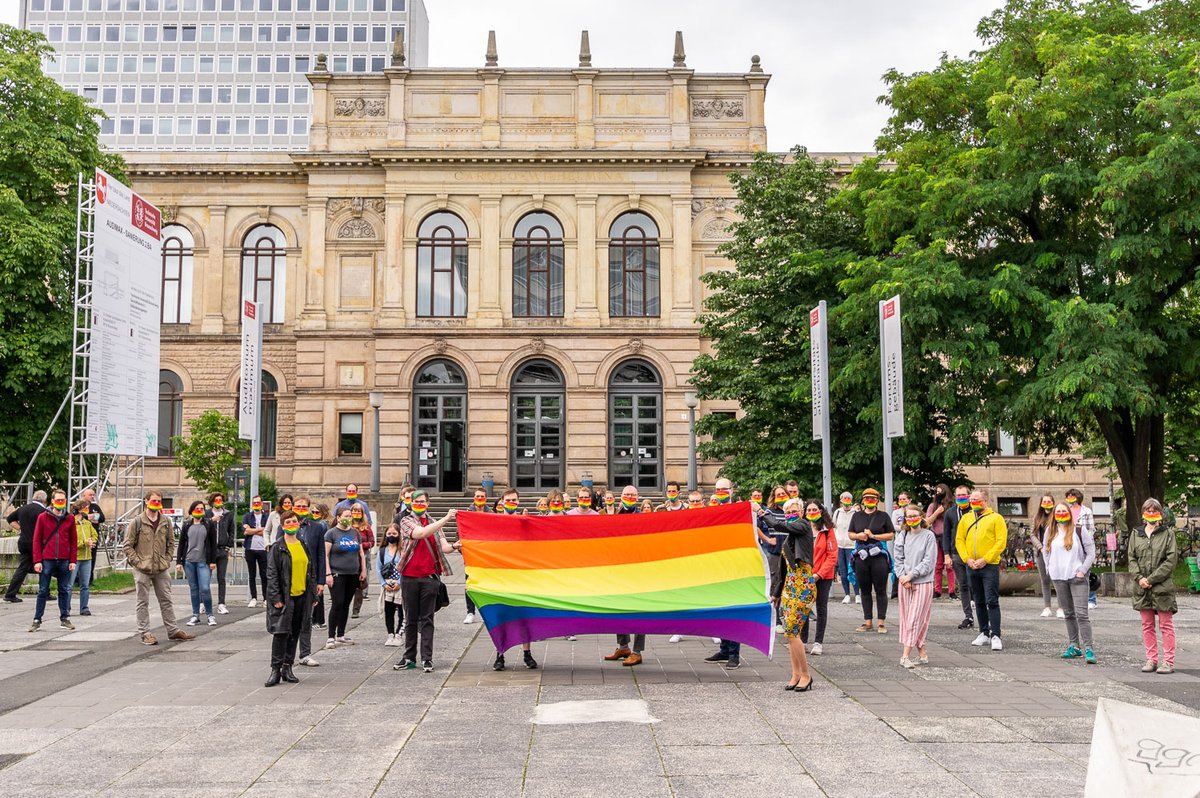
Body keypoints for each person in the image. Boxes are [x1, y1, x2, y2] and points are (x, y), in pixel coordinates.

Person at [393, 490, 460, 673]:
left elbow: (444, 546)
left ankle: (427, 659)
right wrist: (446, 518)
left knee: (427, 620)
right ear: (411, 504)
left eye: (423, 502)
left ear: (428, 504)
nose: (420, 505)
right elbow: (420, 533)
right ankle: (409, 657)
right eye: (417, 502)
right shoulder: (406, 521)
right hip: (409, 577)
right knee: (410, 620)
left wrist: (455, 546)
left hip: (429, 578)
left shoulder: (434, 522)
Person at [123, 491, 194, 645]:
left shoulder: (165, 521)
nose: (156, 503)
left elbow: (171, 542)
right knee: (142, 602)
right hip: (143, 568)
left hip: (161, 568)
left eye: (159, 500)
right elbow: (127, 545)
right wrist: (137, 561)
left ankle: (173, 630)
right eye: (153, 500)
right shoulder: (137, 522)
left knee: (166, 600)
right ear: (146, 501)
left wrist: (167, 559)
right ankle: (145, 633)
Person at [762, 498, 815, 691]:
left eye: (795, 510)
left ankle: (807, 675)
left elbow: (777, 524)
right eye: (789, 511)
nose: (792, 513)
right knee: (790, 634)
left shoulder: (803, 526)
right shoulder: (789, 539)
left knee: (792, 632)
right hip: (789, 588)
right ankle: (796, 673)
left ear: (801, 512)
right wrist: (776, 593)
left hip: (803, 586)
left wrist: (760, 512)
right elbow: (783, 569)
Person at [264, 510, 318, 687]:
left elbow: (310, 571)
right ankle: (275, 669)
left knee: (295, 631)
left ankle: (288, 667)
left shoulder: (303, 544)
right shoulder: (277, 547)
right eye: (288, 522)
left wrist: (313, 595)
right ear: (282, 525)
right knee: (281, 633)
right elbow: (271, 575)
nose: (292, 525)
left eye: (294, 521)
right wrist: (276, 597)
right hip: (285, 597)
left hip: (302, 595)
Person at [1128, 498, 1177, 675]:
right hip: (1142, 588)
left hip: (1162, 586)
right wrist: (1140, 578)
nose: (1150, 513)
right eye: (1147, 510)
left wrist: (1152, 579)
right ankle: (1151, 659)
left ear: (1160, 513)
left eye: (1153, 510)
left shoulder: (1168, 534)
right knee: (1147, 625)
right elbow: (1131, 558)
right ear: (1143, 513)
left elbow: (1171, 560)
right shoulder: (1136, 533)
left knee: (1166, 625)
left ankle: (1168, 661)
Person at [1043, 501, 1096, 663]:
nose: (1060, 514)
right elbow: (1046, 550)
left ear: (1069, 513)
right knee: (1068, 613)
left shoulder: (1079, 530)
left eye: (1063, 511)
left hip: (1077, 576)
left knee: (1082, 614)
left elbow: (1091, 553)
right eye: (1057, 511)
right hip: (1059, 577)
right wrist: (1049, 568)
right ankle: (1074, 645)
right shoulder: (1050, 531)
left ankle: (1089, 648)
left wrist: (1082, 570)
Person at [956, 488, 1008, 651]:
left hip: (989, 565)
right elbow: (959, 540)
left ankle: (996, 635)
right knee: (978, 600)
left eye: (977, 500)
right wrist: (967, 559)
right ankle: (984, 632)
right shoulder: (966, 519)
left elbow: (1000, 542)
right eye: (972, 500)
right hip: (971, 564)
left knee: (991, 600)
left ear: (985, 500)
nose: (973, 503)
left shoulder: (996, 518)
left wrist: (986, 559)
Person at [604, 485, 647, 666]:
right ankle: (623, 646)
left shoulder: (644, 518)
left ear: (637, 498)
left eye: (632, 494)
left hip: (638, 571)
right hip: (618, 570)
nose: (629, 497)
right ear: (620, 496)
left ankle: (637, 651)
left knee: (639, 610)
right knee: (618, 608)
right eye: (626, 494)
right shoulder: (611, 515)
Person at [894, 505, 937, 668]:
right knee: (907, 618)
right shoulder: (903, 535)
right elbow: (898, 558)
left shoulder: (929, 536)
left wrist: (911, 575)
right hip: (905, 583)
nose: (912, 519)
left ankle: (905, 656)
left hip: (923, 582)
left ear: (921, 516)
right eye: (909, 516)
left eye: (914, 516)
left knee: (916, 618)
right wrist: (903, 577)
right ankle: (922, 652)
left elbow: (928, 561)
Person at [29, 490, 78, 632]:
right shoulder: (43, 517)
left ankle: (65, 618)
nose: (61, 503)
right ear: (52, 501)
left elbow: (73, 541)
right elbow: (36, 540)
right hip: (47, 559)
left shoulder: (69, 518)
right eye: (58, 500)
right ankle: (37, 619)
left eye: (63, 500)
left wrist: (72, 560)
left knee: (64, 589)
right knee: (43, 590)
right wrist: (37, 560)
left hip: (64, 559)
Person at [848, 487, 895, 633]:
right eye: (867, 498)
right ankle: (867, 621)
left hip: (878, 556)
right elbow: (850, 534)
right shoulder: (856, 516)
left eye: (873, 498)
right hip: (861, 556)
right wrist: (859, 536)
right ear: (863, 500)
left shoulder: (883, 516)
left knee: (880, 589)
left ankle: (881, 622)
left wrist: (874, 536)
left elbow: (891, 535)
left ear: (877, 500)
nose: (869, 501)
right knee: (864, 589)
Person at [324, 506, 366, 648]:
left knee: (346, 604)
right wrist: (328, 573)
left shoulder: (355, 533)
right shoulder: (331, 534)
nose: (349, 519)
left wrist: (363, 571)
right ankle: (331, 636)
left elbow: (361, 553)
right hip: (337, 573)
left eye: (350, 516)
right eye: (346, 516)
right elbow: (325, 554)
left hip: (352, 573)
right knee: (337, 603)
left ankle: (341, 634)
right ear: (338, 517)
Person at [800, 501, 837, 656]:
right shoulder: (802, 529)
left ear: (821, 511)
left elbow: (832, 556)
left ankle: (818, 643)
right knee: (804, 608)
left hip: (823, 576)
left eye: (815, 509)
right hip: (805, 575)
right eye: (809, 509)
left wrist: (819, 574)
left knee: (821, 608)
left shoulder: (827, 531)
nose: (812, 512)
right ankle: (803, 642)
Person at [175, 500, 218, 627]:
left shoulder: (208, 524)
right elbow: (181, 544)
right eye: (197, 508)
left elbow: (213, 544)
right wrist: (179, 562)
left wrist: (213, 561)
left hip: (203, 561)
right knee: (194, 589)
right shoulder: (187, 524)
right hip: (189, 561)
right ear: (192, 510)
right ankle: (195, 615)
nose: (200, 510)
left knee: (205, 588)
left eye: (202, 508)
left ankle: (210, 615)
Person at [294, 496, 324, 667]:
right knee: (290, 619)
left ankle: (305, 653)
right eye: (298, 506)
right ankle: (287, 653)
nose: (301, 508)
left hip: (310, 578)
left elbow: (320, 555)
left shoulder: (317, 528)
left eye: (304, 506)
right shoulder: (287, 526)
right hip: (291, 578)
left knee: (307, 618)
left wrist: (321, 580)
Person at [4, 489, 48, 603]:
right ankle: (45, 592)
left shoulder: (22, 509)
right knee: (43, 566)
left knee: (23, 567)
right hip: (37, 543)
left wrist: (20, 528)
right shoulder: (43, 512)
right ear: (44, 500)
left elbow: (10, 519)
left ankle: (10, 594)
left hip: (23, 541)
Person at [755, 485, 789, 634]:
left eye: (783, 494)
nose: (781, 496)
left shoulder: (791, 512)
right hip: (775, 553)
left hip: (790, 554)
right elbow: (757, 527)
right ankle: (775, 620)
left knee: (788, 584)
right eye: (778, 494)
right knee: (775, 585)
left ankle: (785, 616)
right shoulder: (769, 512)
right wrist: (768, 540)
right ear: (773, 498)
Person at [943, 486, 974, 629]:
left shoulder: (975, 511)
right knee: (963, 585)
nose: (961, 498)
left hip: (974, 554)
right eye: (958, 495)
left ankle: (980, 610)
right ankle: (968, 616)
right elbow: (947, 535)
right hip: (956, 554)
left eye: (963, 495)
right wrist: (946, 555)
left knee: (975, 583)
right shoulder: (950, 513)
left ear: (969, 496)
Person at [462, 488, 491, 624]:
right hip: (471, 555)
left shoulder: (491, 514)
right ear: (473, 497)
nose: (479, 498)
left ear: (486, 498)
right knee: (470, 584)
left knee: (487, 585)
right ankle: (470, 612)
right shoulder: (466, 514)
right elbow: (460, 533)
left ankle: (487, 612)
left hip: (487, 555)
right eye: (477, 496)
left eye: (482, 496)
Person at [1029, 495, 1061, 619]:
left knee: (1057, 579)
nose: (1047, 503)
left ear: (1053, 503)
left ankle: (1061, 607)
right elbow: (1032, 535)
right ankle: (1047, 607)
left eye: (1049, 501)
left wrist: (1051, 546)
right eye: (1044, 501)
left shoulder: (1056, 516)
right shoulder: (1037, 517)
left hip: (1054, 552)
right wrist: (1040, 547)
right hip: (1040, 552)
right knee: (1045, 580)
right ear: (1041, 503)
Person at [1065, 489, 1097, 608]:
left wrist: (1085, 542)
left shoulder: (1086, 511)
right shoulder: (1067, 510)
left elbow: (1090, 529)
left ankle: (1091, 599)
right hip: (1070, 544)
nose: (1070, 498)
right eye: (1068, 496)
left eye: (1072, 496)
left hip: (1084, 543)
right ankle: (1074, 598)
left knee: (1086, 570)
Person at [70, 499, 99, 617]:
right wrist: (83, 543)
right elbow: (69, 541)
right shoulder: (71, 522)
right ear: (80, 509)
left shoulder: (87, 523)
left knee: (85, 585)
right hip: (75, 557)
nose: (88, 510)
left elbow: (94, 534)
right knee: (69, 585)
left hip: (87, 557)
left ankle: (84, 608)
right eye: (86, 508)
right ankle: (66, 607)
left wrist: (92, 541)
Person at [208, 492, 235, 614]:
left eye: (220, 500)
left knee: (221, 578)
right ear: (212, 501)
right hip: (209, 550)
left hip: (222, 549)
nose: (218, 502)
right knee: (206, 578)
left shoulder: (227, 514)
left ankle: (221, 603)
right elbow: (201, 526)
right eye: (216, 500)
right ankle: (204, 602)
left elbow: (232, 530)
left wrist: (228, 546)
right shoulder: (207, 514)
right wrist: (211, 520)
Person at [378, 523, 404, 646]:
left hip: (400, 585)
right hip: (387, 584)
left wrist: (399, 582)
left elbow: (405, 567)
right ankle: (390, 634)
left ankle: (399, 634)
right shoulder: (382, 551)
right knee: (389, 610)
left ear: (399, 535)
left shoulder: (402, 550)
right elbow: (378, 569)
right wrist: (383, 584)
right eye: (389, 534)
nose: (391, 536)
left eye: (394, 534)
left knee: (402, 610)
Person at [242, 496, 270, 607]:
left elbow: (267, 531)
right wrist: (260, 530)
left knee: (264, 575)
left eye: (258, 502)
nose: (256, 504)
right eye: (254, 502)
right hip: (250, 549)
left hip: (263, 548)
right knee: (251, 575)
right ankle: (253, 597)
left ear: (262, 503)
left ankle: (265, 598)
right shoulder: (247, 516)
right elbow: (245, 532)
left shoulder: (267, 517)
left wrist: (252, 530)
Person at [925, 484, 953, 599]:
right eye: (936, 492)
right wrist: (937, 512)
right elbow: (927, 522)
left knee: (950, 565)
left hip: (949, 538)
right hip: (936, 537)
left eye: (940, 492)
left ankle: (952, 591)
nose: (938, 494)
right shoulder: (933, 506)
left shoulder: (952, 506)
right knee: (937, 566)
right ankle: (937, 590)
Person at [832, 491, 859, 604]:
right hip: (840, 545)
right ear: (841, 499)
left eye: (848, 498)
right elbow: (833, 527)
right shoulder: (837, 512)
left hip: (851, 545)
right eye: (844, 498)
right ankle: (846, 594)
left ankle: (857, 594)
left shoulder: (856, 513)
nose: (846, 500)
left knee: (853, 571)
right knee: (842, 571)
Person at [350, 503, 376, 619]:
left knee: (359, 584)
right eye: (354, 511)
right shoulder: (347, 526)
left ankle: (356, 609)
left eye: (358, 511)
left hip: (363, 556)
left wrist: (361, 545)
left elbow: (372, 542)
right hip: (348, 557)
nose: (356, 514)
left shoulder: (366, 527)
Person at [310, 502, 332, 630]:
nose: (314, 515)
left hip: (318, 559)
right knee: (319, 591)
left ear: (323, 513)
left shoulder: (321, 525)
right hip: (320, 559)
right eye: (312, 512)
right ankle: (320, 619)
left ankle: (317, 619)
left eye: (316, 512)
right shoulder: (324, 524)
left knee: (317, 591)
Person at [79, 487, 104, 589]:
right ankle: (77, 580)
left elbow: (102, 518)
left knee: (92, 558)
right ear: (84, 496)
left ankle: (89, 580)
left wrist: (90, 516)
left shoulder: (95, 507)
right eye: (90, 495)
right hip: (81, 537)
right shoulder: (79, 506)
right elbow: (79, 517)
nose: (92, 496)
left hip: (93, 536)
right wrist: (93, 517)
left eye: (93, 495)